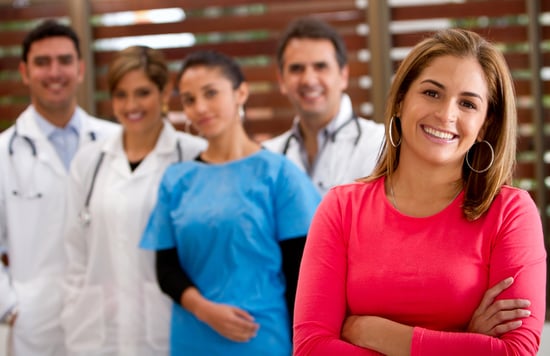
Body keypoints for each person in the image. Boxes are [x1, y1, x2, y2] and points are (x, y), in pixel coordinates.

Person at [294, 28, 547, 355]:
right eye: (431, 93)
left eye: (468, 103)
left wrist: (374, 332)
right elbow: (312, 348)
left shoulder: (510, 213)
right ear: (401, 101)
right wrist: (461, 341)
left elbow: (515, 352)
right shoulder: (341, 208)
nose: (446, 115)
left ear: (485, 124)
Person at [140, 50, 321, 355]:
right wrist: (204, 310)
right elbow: (166, 267)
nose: (199, 108)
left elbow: (301, 276)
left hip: (262, 338)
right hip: (192, 337)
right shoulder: (177, 180)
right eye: (188, 99)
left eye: (211, 93)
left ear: (241, 93)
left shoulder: (279, 176)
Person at [61, 45, 206, 355]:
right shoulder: (89, 161)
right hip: (98, 332)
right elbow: (75, 254)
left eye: (142, 93)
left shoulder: (194, 156)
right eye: (121, 95)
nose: (131, 105)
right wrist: (74, 314)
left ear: (164, 92)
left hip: (170, 327)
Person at [0, 19, 119, 356]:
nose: (55, 72)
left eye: (65, 61)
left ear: (80, 69)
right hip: (36, 322)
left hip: (107, 315)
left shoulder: (114, 142)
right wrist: (12, 307)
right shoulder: (2, 153)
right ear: (24, 72)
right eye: (42, 62)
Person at [262, 16, 385, 196]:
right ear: (281, 80)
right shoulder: (269, 155)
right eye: (296, 69)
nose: (309, 80)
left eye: (321, 66)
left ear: (343, 75)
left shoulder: (380, 145)